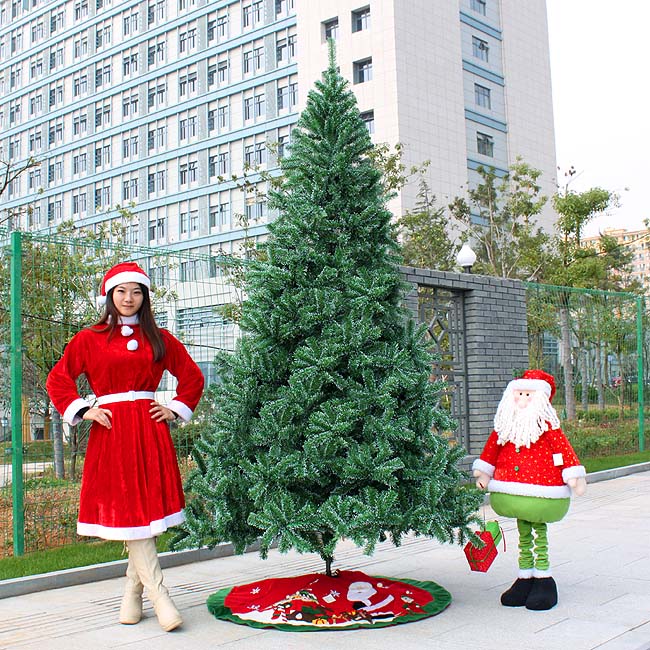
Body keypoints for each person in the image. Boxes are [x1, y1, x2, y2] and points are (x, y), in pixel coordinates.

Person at [46, 262, 204, 631]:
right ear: (109, 295)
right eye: (121, 291)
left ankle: (132, 595)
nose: (128, 298)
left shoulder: (159, 338)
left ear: (145, 296)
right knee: (132, 511)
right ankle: (160, 596)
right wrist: (84, 409)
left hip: (149, 431)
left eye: (136, 292)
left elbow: (192, 377)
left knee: (143, 511)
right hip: (112, 432)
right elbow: (58, 378)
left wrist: (174, 408)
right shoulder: (89, 338)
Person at [472, 369, 586, 611]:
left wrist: (573, 474)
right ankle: (525, 577)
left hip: (542, 489)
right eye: (519, 394)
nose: (522, 399)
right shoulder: (505, 425)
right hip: (512, 490)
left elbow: (563, 448)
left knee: (538, 532)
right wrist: (484, 472)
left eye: (528, 395)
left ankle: (543, 577)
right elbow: (492, 449)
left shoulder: (547, 426)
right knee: (523, 532)